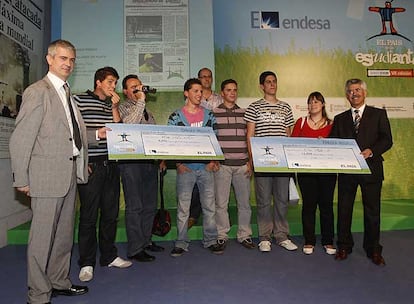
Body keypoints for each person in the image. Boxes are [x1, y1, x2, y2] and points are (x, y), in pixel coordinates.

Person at [9, 39, 89, 303]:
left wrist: (83, 155)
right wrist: (21, 177)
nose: (68, 63)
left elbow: (70, 136)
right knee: (42, 240)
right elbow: (21, 138)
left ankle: (58, 281)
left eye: (72, 59)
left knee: (64, 236)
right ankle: (39, 294)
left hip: (68, 175)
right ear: (50, 59)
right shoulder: (38, 91)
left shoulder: (68, 94)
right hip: (45, 177)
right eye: (63, 58)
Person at [74, 67, 131, 283]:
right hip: (91, 165)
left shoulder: (111, 104)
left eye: (115, 83)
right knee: (89, 216)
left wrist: (115, 107)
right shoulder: (79, 101)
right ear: (98, 82)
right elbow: (74, 133)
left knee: (110, 213)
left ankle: (108, 256)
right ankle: (87, 262)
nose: (112, 86)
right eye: (109, 82)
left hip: (111, 164)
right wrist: (83, 160)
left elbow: (119, 132)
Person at [330, 78, 393, 266]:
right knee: (344, 210)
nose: (354, 93)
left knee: (372, 212)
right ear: (346, 95)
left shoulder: (378, 114)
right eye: (350, 91)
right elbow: (333, 142)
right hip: (347, 173)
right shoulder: (340, 118)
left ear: (365, 93)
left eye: (357, 90)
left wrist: (371, 151)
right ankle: (343, 246)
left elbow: (387, 140)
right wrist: (323, 142)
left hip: (371, 170)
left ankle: (373, 249)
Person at [167, 78, 224, 257]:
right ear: (186, 93)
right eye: (195, 91)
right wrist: (178, 164)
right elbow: (171, 142)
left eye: (201, 91)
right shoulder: (175, 117)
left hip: (206, 169)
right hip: (187, 170)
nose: (199, 94)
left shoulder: (210, 115)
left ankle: (211, 240)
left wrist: (213, 162)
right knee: (183, 208)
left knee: (209, 207)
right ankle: (181, 242)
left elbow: (215, 138)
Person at [244, 70, 298, 252]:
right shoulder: (254, 107)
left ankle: (282, 235)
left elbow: (288, 134)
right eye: (268, 82)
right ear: (262, 86)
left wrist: (290, 159)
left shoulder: (285, 107)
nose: (272, 84)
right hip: (262, 162)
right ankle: (265, 237)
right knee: (264, 200)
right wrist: (251, 160)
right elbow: (250, 134)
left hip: (282, 162)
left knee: (282, 200)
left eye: (274, 81)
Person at [118, 74, 166, 262]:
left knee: (149, 206)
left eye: (139, 86)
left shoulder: (148, 111)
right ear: (125, 91)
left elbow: (152, 135)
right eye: (133, 87)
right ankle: (135, 248)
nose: (138, 89)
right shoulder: (122, 107)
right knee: (135, 206)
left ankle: (146, 241)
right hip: (131, 162)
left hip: (149, 163)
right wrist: (141, 101)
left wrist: (160, 158)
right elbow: (129, 125)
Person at [291, 92, 337, 255]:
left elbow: (337, 147)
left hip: (327, 172)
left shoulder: (332, 124)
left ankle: (328, 241)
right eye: (310, 102)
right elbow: (292, 145)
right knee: (308, 206)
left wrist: (324, 144)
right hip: (306, 172)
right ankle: (309, 240)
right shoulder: (301, 122)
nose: (313, 105)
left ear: (323, 104)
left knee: (326, 207)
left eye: (316, 102)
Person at [213, 79, 255, 250]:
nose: (232, 93)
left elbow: (250, 138)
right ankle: (221, 234)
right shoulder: (213, 113)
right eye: (228, 90)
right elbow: (211, 139)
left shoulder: (245, 113)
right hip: (222, 166)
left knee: (244, 204)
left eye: (235, 90)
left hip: (242, 165)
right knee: (221, 203)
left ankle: (244, 235)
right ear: (222, 93)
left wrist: (251, 162)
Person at [187, 67, 223, 229]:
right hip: (196, 147)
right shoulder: (193, 98)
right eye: (203, 77)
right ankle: (194, 215)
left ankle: (212, 221)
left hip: (216, 144)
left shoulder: (220, 99)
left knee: (213, 187)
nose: (207, 79)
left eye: (209, 77)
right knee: (195, 185)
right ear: (198, 78)